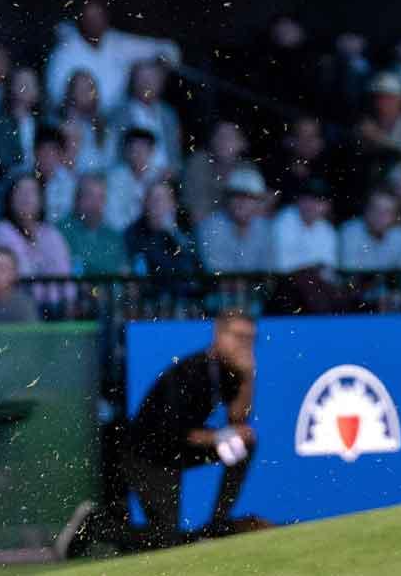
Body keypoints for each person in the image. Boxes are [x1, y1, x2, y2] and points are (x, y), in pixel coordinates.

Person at [120, 312, 257, 551]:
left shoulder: (230, 370)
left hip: (181, 452)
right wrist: (219, 437)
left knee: (244, 444)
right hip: (148, 456)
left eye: (250, 339)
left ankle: (216, 525)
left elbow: (238, 419)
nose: (244, 344)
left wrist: (248, 377)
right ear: (218, 334)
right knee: (166, 541)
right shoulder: (191, 372)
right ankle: (94, 526)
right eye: (238, 336)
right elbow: (177, 431)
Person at [45, 0, 182, 115]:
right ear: (80, 19)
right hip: (77, 118)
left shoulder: (117, 43)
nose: (94, 22)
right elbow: (55, 97)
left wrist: (161, 60)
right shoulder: (64, 51)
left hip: (115, 121)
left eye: (98, 17)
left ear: (106, 19)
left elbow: (167, 49)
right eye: (89, 17)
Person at [269, 178, 343, 313]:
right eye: (307, 199)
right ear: (299, 200)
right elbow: (281, 265)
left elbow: (329, 271)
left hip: (317, 287)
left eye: (318, 200)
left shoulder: (327, 229)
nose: (312, 205)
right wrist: (312, 267)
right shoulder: (284, 220)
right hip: (284, 287)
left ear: (327, 206)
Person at [339, 189, 401, 308]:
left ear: (395, 216)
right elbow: (349, 281)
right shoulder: (350, 232)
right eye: (375, 210)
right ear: (366, 210)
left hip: (394, 300)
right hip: (356, 304)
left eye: (387, 212)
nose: (380, 216)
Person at [109, 61, 182, 173]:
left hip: (166, 180)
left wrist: (171, 172)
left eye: (152, 79)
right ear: (133, 82)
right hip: (131, 177)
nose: (147, 84)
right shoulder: (120, 114)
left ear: (161, 83)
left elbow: (174, 154)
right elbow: (114, 154)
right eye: (142, 79)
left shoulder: (168, 115)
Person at [0, 177, 73, 278]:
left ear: (41, 201)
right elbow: (21, 273)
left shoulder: (51, 233)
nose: (26, 197)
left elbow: (64, 274)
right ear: (10, 199)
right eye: (20, 192)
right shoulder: (1, 230)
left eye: (32, 192)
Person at [182, 121, 262, 222]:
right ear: (212, 140)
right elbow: (197, 214)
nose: (223, 142)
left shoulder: (248, 168)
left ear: (242, 143)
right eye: (220, 136)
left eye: (230, 137)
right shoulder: (198, 163)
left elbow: (259, 210)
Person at [197, 170, 273, 275]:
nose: (242, 202)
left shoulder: (266, 228)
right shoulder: (210, 227)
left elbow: (268, 271)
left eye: (249, 197)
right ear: (227, 199)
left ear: (259, 202)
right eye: (236, 196)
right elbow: (215, 271)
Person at [57, 175, 130, 277]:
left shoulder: (113, 236)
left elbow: (123, 272)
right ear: (77, 199)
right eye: (90, 196)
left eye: (101, 197)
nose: (96, 204)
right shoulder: (60, 231)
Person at [125, 181, 198, 280]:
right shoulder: (134, 234)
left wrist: (173, 234)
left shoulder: (183, 230)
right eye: (153, 200)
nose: (158, 206)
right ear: (145, 204)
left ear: (173, 206)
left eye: (163, 200)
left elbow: (193, 265)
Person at [104, 129, 165, 232]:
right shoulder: (115, 178)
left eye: (143, 150)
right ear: (126, 151)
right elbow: (112, 215)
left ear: (152, 151)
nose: (138, 155)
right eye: (134, 150)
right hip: (123, 233)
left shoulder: (158, 177)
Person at [58, 70, 117, 176]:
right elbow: (63, 166)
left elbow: (109, 162)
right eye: (80, 89)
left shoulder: (105, 126)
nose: (84, 93)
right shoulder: (61, 125)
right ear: (71, 92)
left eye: (88, 89)